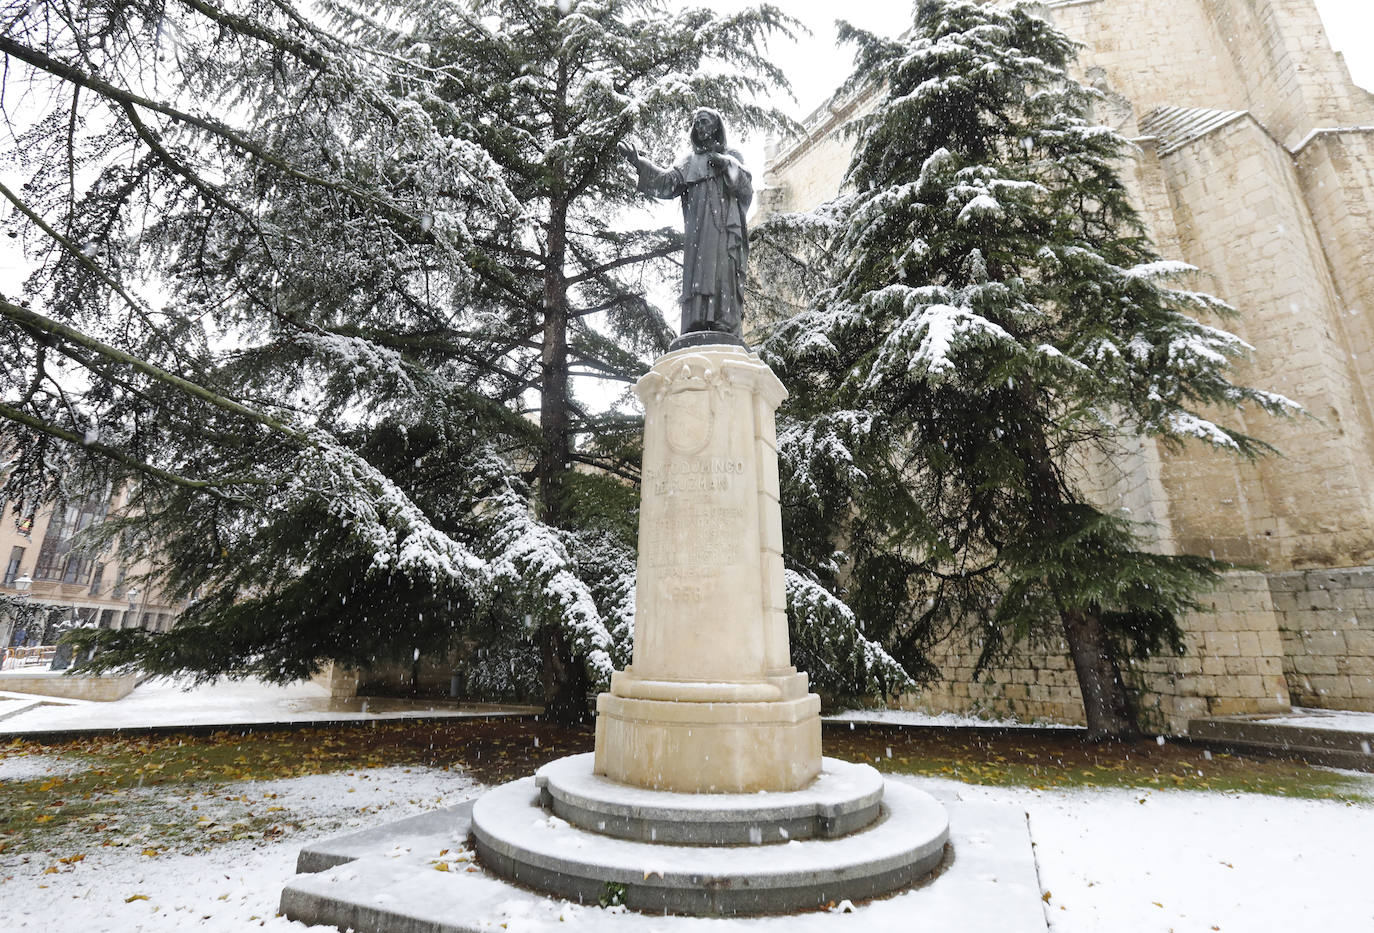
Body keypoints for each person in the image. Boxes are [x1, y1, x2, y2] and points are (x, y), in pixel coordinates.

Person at [619, 108, 752, 342]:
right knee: (699, 274)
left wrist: (725, 165)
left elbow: (746, 190)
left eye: (704, 122)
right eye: (696, 123)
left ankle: (723, 322)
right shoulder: (690, 161)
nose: (700, 127)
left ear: (715, 126)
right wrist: (638, 163)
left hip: (723, 230)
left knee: (723, 272)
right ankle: (699, 321)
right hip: (699, 233)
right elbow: (666, 183)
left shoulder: (732, 157)